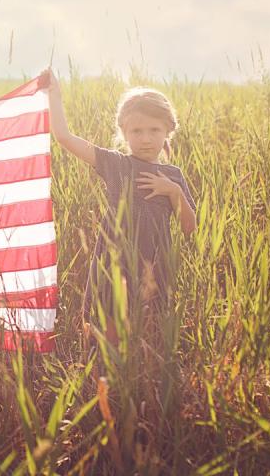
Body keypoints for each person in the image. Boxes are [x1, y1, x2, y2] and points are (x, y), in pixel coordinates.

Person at [38, 67, 197, 344]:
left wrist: (172, 192)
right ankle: (101, 377)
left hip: (153, 266)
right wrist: (55, 94)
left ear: (168, 130)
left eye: (154, 130)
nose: (145, 138)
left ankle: (143, 381)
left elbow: (189, 227)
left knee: (150, 334)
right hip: (114, 262)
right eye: (136, 130)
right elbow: (64, 137)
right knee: (107, 333)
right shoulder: (116, 165)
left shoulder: (173, 176)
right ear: (123, 132)